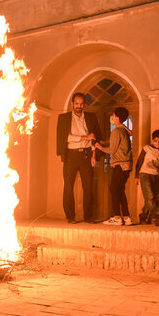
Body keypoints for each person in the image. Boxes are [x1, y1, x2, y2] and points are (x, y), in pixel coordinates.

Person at [56, 92, 103, 223]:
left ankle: (89, 217)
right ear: (72, 104)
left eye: (81, 104)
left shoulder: (91, 117)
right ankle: (70, 217)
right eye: (76, 103)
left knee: (88, 186)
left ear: (84, 104)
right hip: (70, 155)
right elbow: (65, 138)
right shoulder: (64, 118)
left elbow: (96, 137)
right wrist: (85, 137)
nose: (79, 106)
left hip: (87, 155)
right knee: (68, 187)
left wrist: (94, 155)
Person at [96, 107, 133, 225]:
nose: (112, 117)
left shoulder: (116, 131)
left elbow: (112, 149)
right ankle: (126, 217)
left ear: (117, 118)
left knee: (113, 189)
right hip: (126, 166)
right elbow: (117, 142)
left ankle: (117, 217)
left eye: (113, 115)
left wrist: (100, 147)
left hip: (119, 166)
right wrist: (105, 142)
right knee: (119, 190)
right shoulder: (123, 130)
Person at [134, 129, 159, 226]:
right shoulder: (146, 148)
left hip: (157, 176)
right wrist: (136, 175)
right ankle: (156, 217)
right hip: (144, 174)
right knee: (149, 196)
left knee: (152, 198)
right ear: (152, 140)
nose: (157, 143)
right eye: (155, 141)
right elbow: (139, 162)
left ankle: (143, 215)